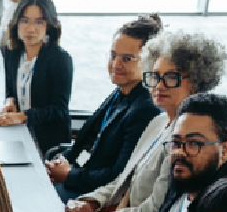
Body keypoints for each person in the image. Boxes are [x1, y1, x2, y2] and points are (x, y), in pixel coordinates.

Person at [66, 31, 227, 212]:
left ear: (197, 82)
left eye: (171, 77)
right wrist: (90, 202)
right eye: (155, 76)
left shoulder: (185, 146)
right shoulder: (158, 122)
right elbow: (123, 181)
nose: (159, 86)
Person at [45, 14, 163, 202]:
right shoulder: (121, 91)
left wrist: (68, 176)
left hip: (96, 193)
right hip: (81, 173)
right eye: (113, 55)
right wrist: (59, 163)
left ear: (149, 62)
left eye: (127, 58)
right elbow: (85, 142)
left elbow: (117, 175)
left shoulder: (146, 109)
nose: (116, 64)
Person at [0, 0, 72, 156]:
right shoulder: (11, 52)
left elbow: (59, 109)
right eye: (24, 20)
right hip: (19, 132)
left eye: (39, 22)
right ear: (16, 23)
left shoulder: (60, 59)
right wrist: (9, 102)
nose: (30, 29)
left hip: (48, 143)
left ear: (49, 25)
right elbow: (10, 90)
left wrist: (22, 116)